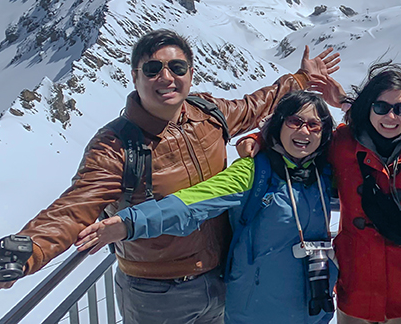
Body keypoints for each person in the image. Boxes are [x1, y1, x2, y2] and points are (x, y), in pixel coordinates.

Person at [0, 29, 339, 324]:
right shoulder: (116, 145)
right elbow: (74, 208)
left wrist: (301, 79)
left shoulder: (208, 114)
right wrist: (29, 249)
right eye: (152, 69)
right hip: (156, 295)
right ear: (134, 77)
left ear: (190, 74)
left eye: (177, 67)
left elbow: (255, 105)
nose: (166, 77)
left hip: (221, 278)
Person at [75, 91, 338, 324]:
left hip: (314, 307)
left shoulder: (326, 172)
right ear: (279, 123)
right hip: (257, 309)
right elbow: (192, 203)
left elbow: (361, 144)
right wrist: (130, 223)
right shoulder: (254, 171)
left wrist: (345, 103)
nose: (304, 132)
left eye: (314, 125)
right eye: (294, 121)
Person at [250, 63, 401, 324]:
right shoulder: (343, 143)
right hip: (357, 285)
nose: (391, 117)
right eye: (381, 107)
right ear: (369, 107)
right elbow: (300, 142)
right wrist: (258, 139)